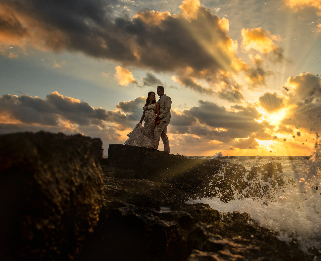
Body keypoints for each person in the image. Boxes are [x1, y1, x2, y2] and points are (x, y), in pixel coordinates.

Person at [154, 86, 171, 153]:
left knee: (157, 131)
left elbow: (167, 109)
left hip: (164, 119)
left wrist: (160, 116)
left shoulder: (167, 98)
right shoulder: (159, 100)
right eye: (157, 91)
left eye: (158, 91)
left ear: (162, 91)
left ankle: (154, 148)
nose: (157, 93)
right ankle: (167, 151)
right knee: (163, 135)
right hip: (161, 118)